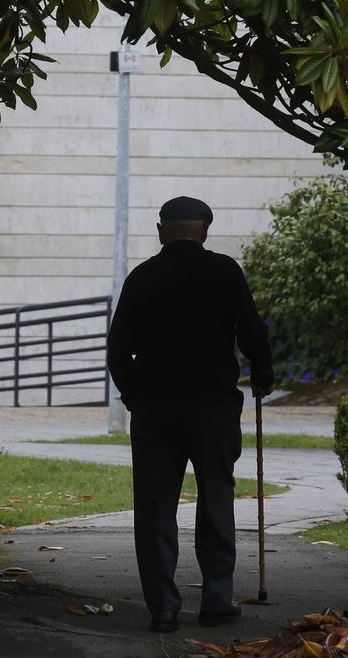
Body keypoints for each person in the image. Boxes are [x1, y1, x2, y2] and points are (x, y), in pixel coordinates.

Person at [107, 195, 273, 633]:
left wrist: (132, 394)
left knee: (155, 507)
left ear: (161, 229)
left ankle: (163, 606)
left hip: (156, 408)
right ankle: (217, 600)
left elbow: (118, 347)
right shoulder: (224, 272)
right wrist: (262, 374)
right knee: (216, 498)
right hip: (212, 406)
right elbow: (254, 332)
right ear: (206, 230)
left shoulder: (141, 278)